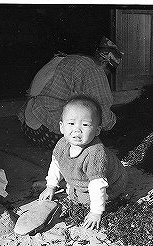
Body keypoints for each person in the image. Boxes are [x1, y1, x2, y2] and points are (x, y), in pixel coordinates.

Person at [38, 95, 127, 230]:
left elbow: (98, 185)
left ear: (97, 130)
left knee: (84, 199)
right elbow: (56, 164)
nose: (77, 130)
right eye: (71, 123)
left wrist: (96, 212)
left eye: (85, 125)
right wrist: (51, 186)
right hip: (84, 180)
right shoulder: (62, 144)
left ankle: (91, 197)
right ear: (61, 127)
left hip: (110, 184)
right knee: (72, 192)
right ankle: (76, 187)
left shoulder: (95, 153)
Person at [18, 36, 123, 149]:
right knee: (95, 128)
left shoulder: (67, 58)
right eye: (108, 72)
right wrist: (118, 123)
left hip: (28, 128)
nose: (106, 75)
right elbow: (105, 118)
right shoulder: (93, 70)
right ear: (103, 62)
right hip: (45, 133)